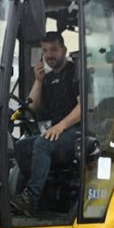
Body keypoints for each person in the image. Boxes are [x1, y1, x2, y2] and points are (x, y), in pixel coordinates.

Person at [12, 31, 81, 215]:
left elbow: (83, 108)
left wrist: (61, 126)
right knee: (21, 146)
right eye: (45, 50)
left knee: (42, 144)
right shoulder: (48, 79)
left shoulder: (75, 73)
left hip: (75, 132)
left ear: (64, 50)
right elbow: (32, 108)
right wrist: (39, 80)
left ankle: (31, 199)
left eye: (54, 50)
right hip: (57, 132)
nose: (49, 55)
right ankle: (37, 194)